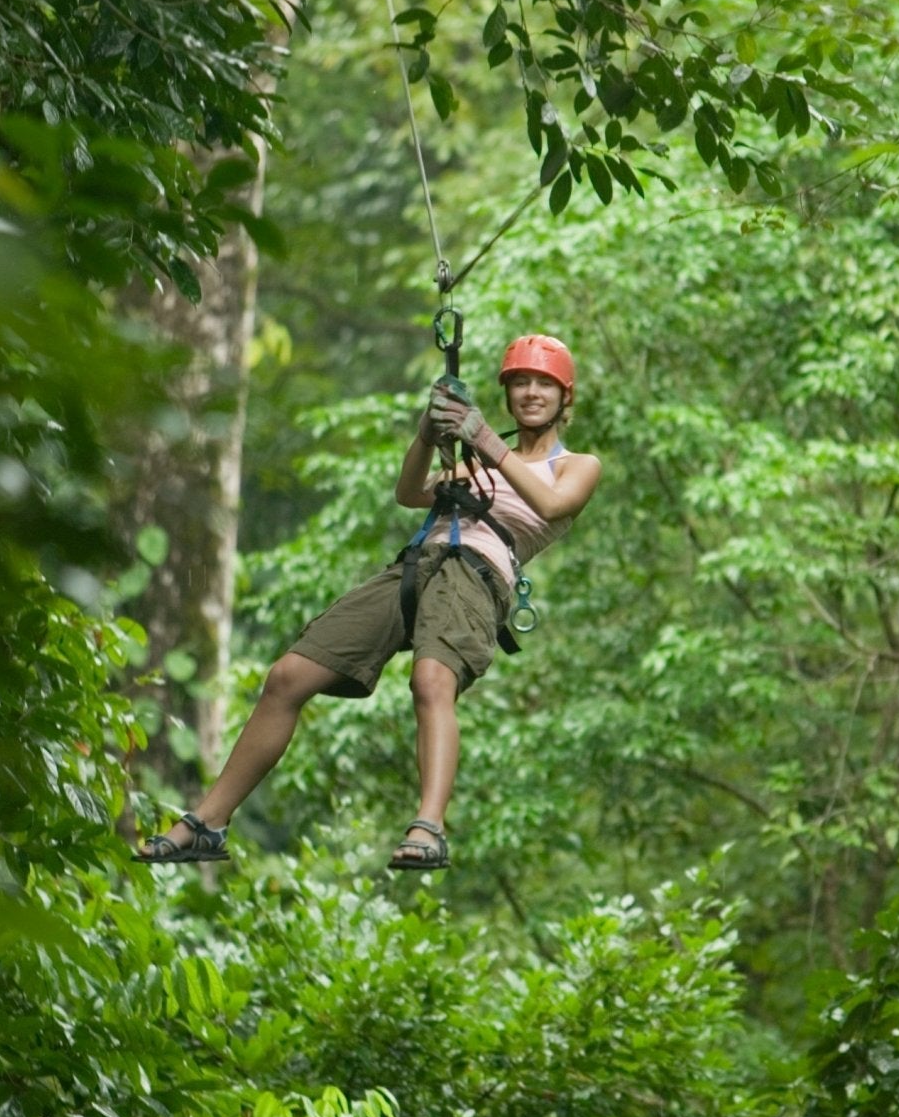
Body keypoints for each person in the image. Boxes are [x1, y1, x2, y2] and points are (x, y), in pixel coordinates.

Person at [136, 334, 601, 871]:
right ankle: (208, 823)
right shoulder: (476, 464)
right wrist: (428, 433)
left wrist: (483, 440)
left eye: (544, 384)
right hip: (417, 566)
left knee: (432, 679)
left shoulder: (575, 465)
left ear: (565, 397)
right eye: (520, 382)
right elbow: (410, 492)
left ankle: (429, 827)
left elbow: (553, 503)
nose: (531, 393)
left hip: (477, 574)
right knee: (287, 676)